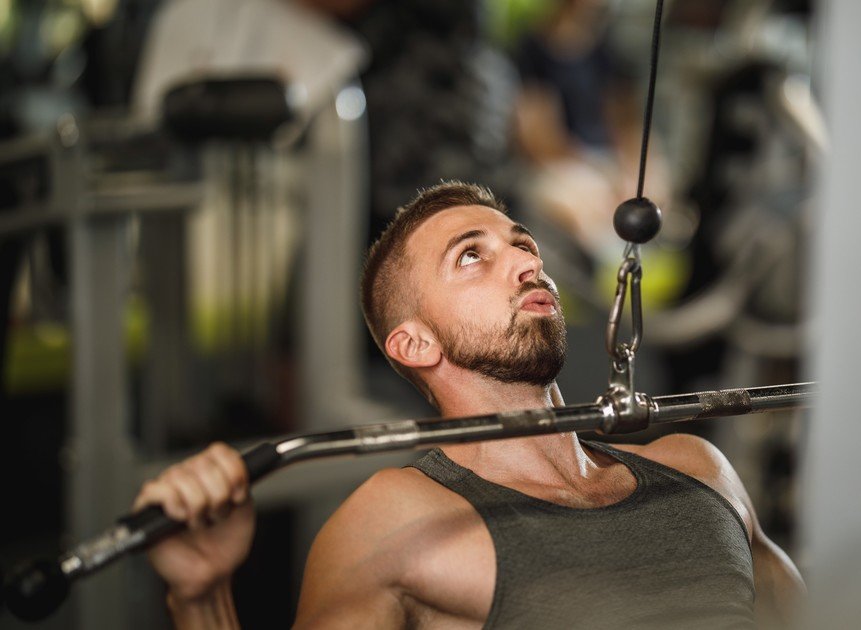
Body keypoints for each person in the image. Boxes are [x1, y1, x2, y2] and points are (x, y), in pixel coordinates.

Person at [133, 181, 805, 628]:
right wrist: (201, 598)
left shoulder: (698, 468)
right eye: (470, 257)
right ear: (415, 343)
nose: (526, 264)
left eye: (522, 245)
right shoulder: (396, 520)